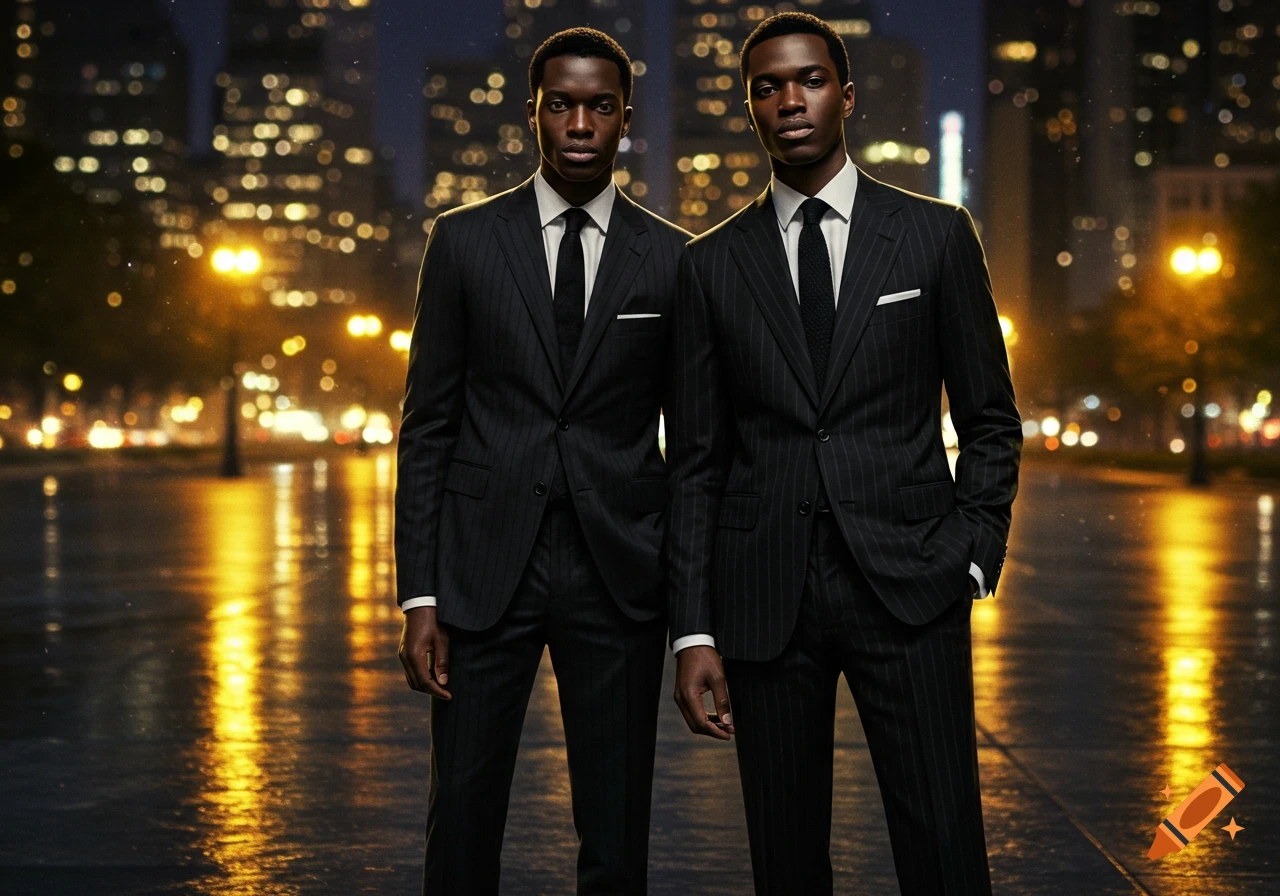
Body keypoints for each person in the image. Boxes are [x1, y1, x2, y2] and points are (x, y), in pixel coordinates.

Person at [665, 12, 1022, 895]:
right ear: (751, 107)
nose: (790, 99)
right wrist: (695, 626)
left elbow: (990, 419)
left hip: (911, 579)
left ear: (848, 95)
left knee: (943, 841)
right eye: (768, 86)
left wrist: (973, 556)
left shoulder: (935, 235)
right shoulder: (709, 266)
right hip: (763, 594)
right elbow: (697, 458)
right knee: (784, 857)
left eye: (810, 80)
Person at [395, 27, 688, 895]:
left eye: (601, 106)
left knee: (616, 824)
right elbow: (428, 426)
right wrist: (421, 594)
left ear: (625, 120)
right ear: (533, 115)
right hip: (485, 571)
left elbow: (696, 442)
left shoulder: (675, 258)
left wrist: (693, 603)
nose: (580, 122)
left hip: (619, 572)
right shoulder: (464, 241)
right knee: (464, 816)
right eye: (561, 104)